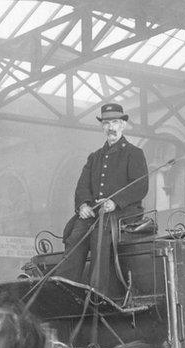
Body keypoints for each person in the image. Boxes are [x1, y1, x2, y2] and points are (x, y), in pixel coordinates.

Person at [54, 102, 149, 297]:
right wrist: (83, 205)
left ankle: (97, 293)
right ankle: (63, 290)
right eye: (106, 123)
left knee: (100, 234)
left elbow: (140, 186)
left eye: (115, 122)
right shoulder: (94, 158)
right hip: (95, 213)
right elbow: (82, 187)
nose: (110, 127)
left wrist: (116, 202)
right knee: (75, 235)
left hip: (124, 214)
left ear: (123, 125)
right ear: (102, 127)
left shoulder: (134, 154)